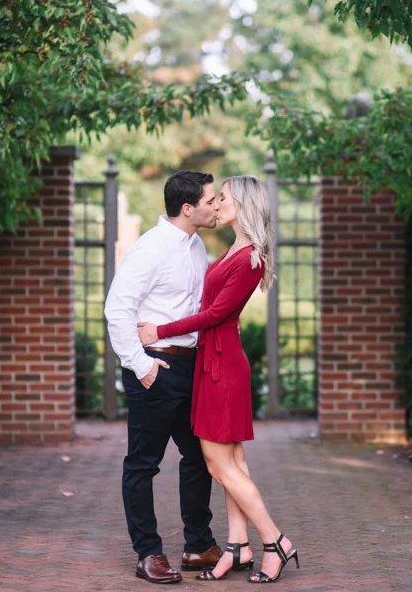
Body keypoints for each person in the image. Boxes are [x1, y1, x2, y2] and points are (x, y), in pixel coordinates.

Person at [137, 175, 300, 584]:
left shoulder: (250, 258)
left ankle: (276, 541)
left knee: (217, 464)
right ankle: (238, 547)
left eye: (223, 198)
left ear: (242, 204)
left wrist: (160, 330)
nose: (217, 204)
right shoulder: (234, 249)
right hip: (215, 361)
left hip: (223, 367)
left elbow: (215, 315)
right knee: (234, 463)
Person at [104, 171, 224, 584]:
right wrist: (142, 366)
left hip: (190, 367)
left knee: (200, 457)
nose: (217, 205)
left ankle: (198, 545)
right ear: (188, 208)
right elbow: (118, 310)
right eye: (211, 199)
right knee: (143, 464)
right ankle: (148, 554)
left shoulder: (197, 247)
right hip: (154, 368)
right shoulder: (149, 249)